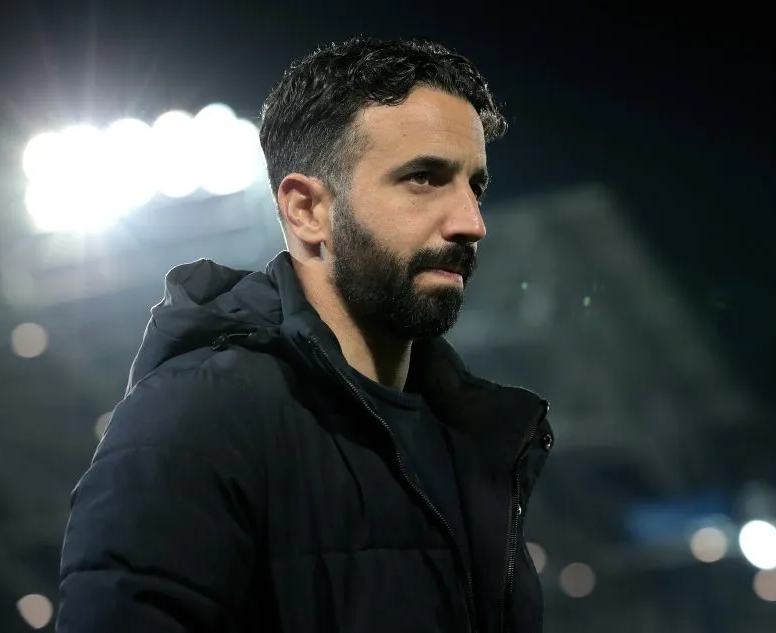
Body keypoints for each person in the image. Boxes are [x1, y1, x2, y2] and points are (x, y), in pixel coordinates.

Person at [56, 36, 555, 633]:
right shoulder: (198, 414)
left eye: (475, 186)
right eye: (424, 178)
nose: (471, 223)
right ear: (306, 210)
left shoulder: (474, 441)